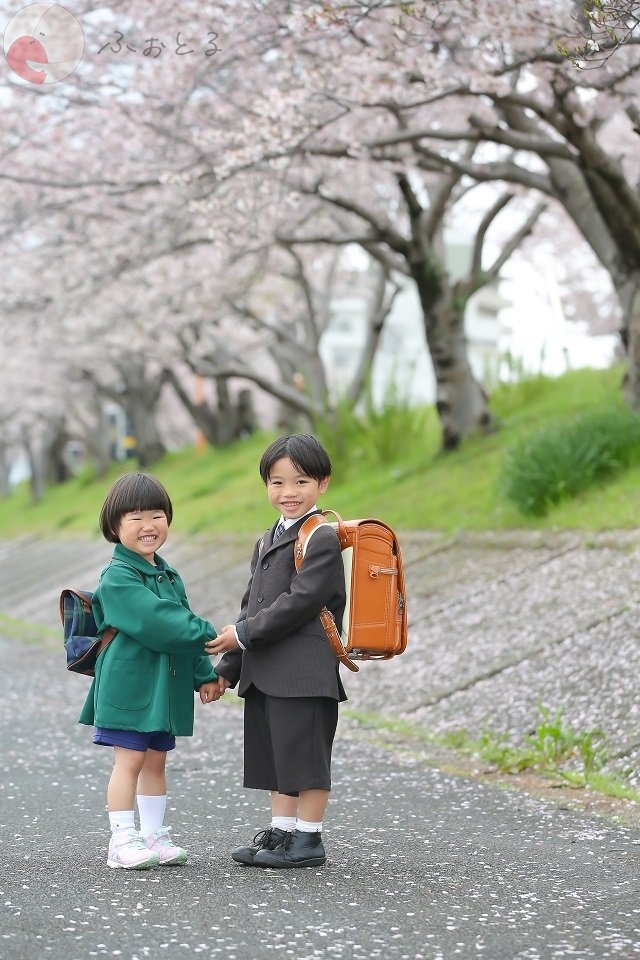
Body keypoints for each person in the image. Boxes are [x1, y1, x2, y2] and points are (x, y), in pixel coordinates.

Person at [206, 434, 347, 869]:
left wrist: (243, 634)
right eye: (277, 482)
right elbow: (253, 603)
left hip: (304, 670)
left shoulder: (321, 536)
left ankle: (309, 839)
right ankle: (282, 834)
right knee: (277, 756)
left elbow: (300, 601)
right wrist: (228, 667)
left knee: (305, 757)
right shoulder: (268, 537)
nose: (288, 493)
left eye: (301, 481)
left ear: (322, 483)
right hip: (267, 669)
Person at [79, 472, 221, 870]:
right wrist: (213, 634)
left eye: (157, 516)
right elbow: (161, 623)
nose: (149, 526)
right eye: (136, 517)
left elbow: (182, 628)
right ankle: (121, 839)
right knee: (129, 761)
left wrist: (204, 673)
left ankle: (154, 835)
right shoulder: (118, 577)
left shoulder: (167, 573)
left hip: (163, 684)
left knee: (156, 760)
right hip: (129, 685)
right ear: (114, 527)